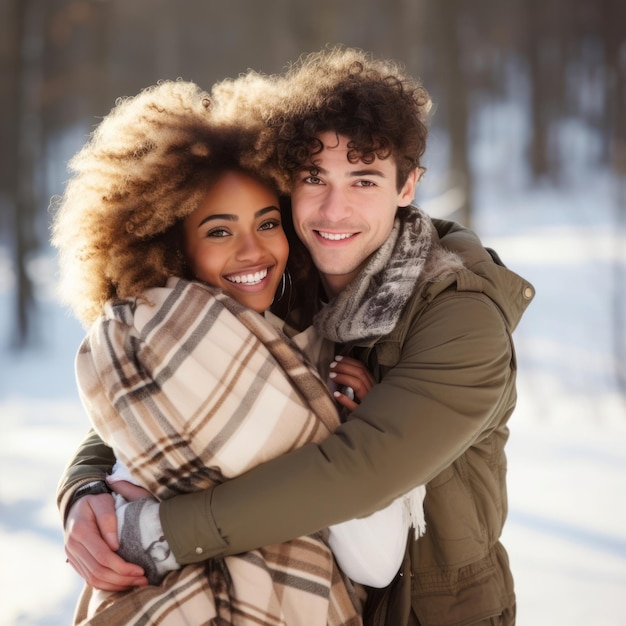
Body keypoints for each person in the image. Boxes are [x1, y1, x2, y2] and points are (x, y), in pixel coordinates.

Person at [57, 48, 535, 625]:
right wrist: (85, 490)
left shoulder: (461, 317)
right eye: (314, 178)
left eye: (364, 179)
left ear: (407, 185)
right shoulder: (281, 273)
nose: (334, 210)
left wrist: (156, 533)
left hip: (431, 612)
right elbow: (161, 388)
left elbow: (359, 471)